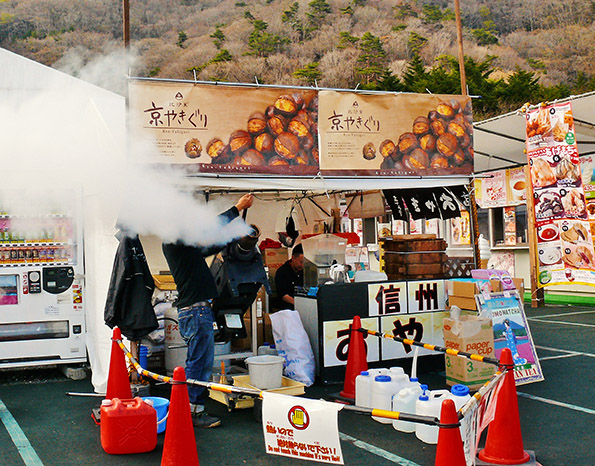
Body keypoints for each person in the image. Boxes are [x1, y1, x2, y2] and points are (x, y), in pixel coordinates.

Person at [162, 193, 254, 428]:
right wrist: (237, 208)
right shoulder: (176, 239)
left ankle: (190, 408)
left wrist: (236, 236)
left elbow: (210, 245)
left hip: (195, 310)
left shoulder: (182, 245)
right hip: (195, 311)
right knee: (200, 362)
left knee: (198, 360)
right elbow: (209, 229)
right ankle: (194, 410)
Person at [274, 243, 304, 310]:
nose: (302, 265)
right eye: (301, 262)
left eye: (305, 262)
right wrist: (298, 304)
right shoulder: (282, 272)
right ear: (293, 258)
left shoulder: (306, 271)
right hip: (288, 307)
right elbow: (284, 295)